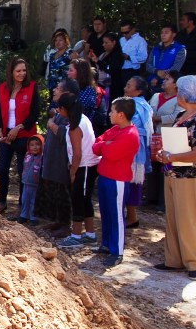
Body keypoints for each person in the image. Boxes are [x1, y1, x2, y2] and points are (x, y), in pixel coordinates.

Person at [152, 75, 196, 280]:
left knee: (188, 218)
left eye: (180, 90)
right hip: (174, 171)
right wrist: (165, 154)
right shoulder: (183, 113)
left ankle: (195, 263)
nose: (176, 93)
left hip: (193, 174)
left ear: (188, 92)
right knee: (173, 217)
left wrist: (172, 156)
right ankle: (174, 260)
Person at [90, 96, 141, 267]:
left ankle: (117, 251)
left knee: (116, 214)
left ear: (120, 114)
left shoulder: (130, 134)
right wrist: (106, 144)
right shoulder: (115, 129)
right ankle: (106, 243)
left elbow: (110, 153)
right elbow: (96, 145)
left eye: (112, 111)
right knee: (105, 212)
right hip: (105, 176)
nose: (109, 114)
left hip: (117, 180)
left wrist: (105, 145)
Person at [0, 57, 40, 214]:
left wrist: (19, 128)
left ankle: (23, 205)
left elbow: (35, 113)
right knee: (2, 169)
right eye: (18, 71)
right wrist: (0, 128)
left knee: (23, 171)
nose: (22, 73)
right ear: (11, 72)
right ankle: (2, 201)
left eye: (24, 70)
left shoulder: (32, 87)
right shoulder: (2, 88)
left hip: (25, 136)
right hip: (6, 136)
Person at [57, 92, 100, 249]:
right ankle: (90, 234)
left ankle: (76, 235)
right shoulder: (82, 119)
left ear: (64, 109)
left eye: (59, 108)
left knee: (78, 199)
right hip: (87, 165)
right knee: (85, 198)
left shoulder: (75, 127)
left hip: (84, 166)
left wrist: (73, 172)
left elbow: (77, 154)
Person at [36, 86, 78, 238]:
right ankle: (57, 220)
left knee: (62, 191)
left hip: (62, 160)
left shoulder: (72, 115)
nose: (54, 90)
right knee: (53, 189)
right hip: (51, 159)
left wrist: (52, 125)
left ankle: (66, 224)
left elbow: (67, 133)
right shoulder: (59, 113)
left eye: (59, 88)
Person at [146, 70, 181, 211]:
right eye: (165, 79)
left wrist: (157, 119)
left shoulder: (180, 99)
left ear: (176, 84)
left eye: (168, 79)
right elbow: (148, 109)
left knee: (165, 168)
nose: (164, 81)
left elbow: (176, 116)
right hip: (154, 135)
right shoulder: (155, 96)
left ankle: (163, 201)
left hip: (169, 136)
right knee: (152, 167)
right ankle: (151, 198)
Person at [123, 76, 154, 228]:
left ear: (138, 91)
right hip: (135, 143)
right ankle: (130, 214)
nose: (125, 88)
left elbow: (128, 124)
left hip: (134, 146)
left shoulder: (137, 105)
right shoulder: (141, 104)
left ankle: (132, 216)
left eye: (129, 86)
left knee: (131, 180)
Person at [147, 23, 186, 93]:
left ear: (173, 34)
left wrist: (158, 77)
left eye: (166, 33)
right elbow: (148, 65)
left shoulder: (180, 49)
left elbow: (176, 68)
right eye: (162, 33)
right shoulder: (155, 48)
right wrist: (156, 72)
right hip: (151, 83)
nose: (163, 35)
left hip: (168, 85)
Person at [13, 135, 43, 225]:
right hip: (26, 182)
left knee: (34, 200)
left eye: (37, 144)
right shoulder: (27, 155)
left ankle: (34, 217)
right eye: (32, 145)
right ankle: (24, 215)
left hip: (36, 183)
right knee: (25, 199)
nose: (35, 147)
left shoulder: (42, 157)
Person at [44, 28, 78, 96]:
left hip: (65, 86)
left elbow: (77, 68)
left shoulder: (71, 52)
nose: (58, 42)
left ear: (66, 41)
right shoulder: (52, 55)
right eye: (56, 40)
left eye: (60, 40)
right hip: (52, 87)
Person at [95, 31, 125, 100]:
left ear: (113, 42)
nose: (103, 45)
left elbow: (111, 68)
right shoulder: (104, 53)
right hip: (101, 84)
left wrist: (98, 62)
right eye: (103, 42)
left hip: (113, 86)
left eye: (106, 43)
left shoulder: (117, 55)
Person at [68, 59, 98, 125]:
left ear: (80, 72)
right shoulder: (67, 87)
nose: (68, 73)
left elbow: (80, 108)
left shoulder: (89, 90)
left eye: (71, 70)